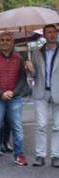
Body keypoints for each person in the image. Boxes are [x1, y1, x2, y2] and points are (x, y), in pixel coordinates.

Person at [0, 32, 29, 166]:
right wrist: (0, 93)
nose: (5, 42)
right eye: (2, 40)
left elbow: (22, 79)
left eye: (8, 40)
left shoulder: (19, 59)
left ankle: (19, 155)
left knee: (17, 127)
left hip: (15, 98)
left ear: (12, 42)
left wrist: (13, 93)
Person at [25, 24, 59, 168]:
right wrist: (30, 69)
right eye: (48, 32)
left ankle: (56, 155)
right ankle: (40, 155)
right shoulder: (37, 52)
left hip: (58, 91)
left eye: (53, 32)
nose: (51, 34)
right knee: (41, 125)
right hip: (40, 92)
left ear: (57, 33)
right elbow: (33, 75)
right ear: (44, 35)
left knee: (58, 126)